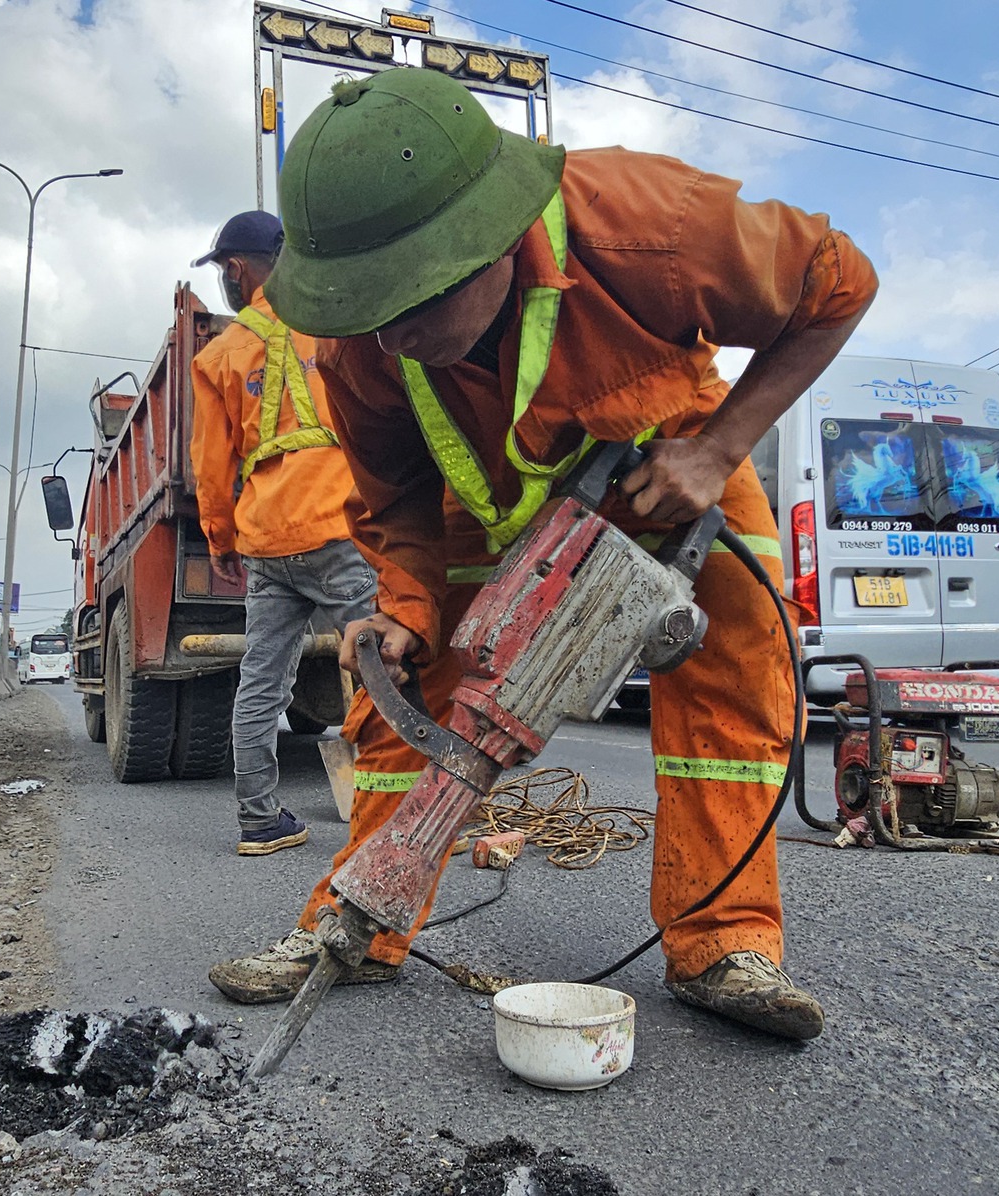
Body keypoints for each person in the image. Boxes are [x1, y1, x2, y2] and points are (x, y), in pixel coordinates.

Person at [207, 68, 877, 1040]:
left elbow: (836, 281)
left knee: (732, 661)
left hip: (670, 472)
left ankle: (721, 942)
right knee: (396, 687)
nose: (396, 332)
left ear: (490, 235)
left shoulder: (647, 225)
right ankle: (356, 928)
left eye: (415, 298)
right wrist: (403, 602)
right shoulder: (360, 349)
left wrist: (718, 448)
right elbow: (391, 495)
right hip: (480, 512)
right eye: (371, 306)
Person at [188, 210, 384, 857]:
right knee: (384, 668)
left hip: (268, 541)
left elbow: (211, 468)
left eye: (223, 272)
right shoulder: (337, 325)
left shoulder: (219, 356)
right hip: (338, 524)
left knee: (262, 683)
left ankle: (259, 821)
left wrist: (219, 540)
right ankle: (408, 809)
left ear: (238, 271)